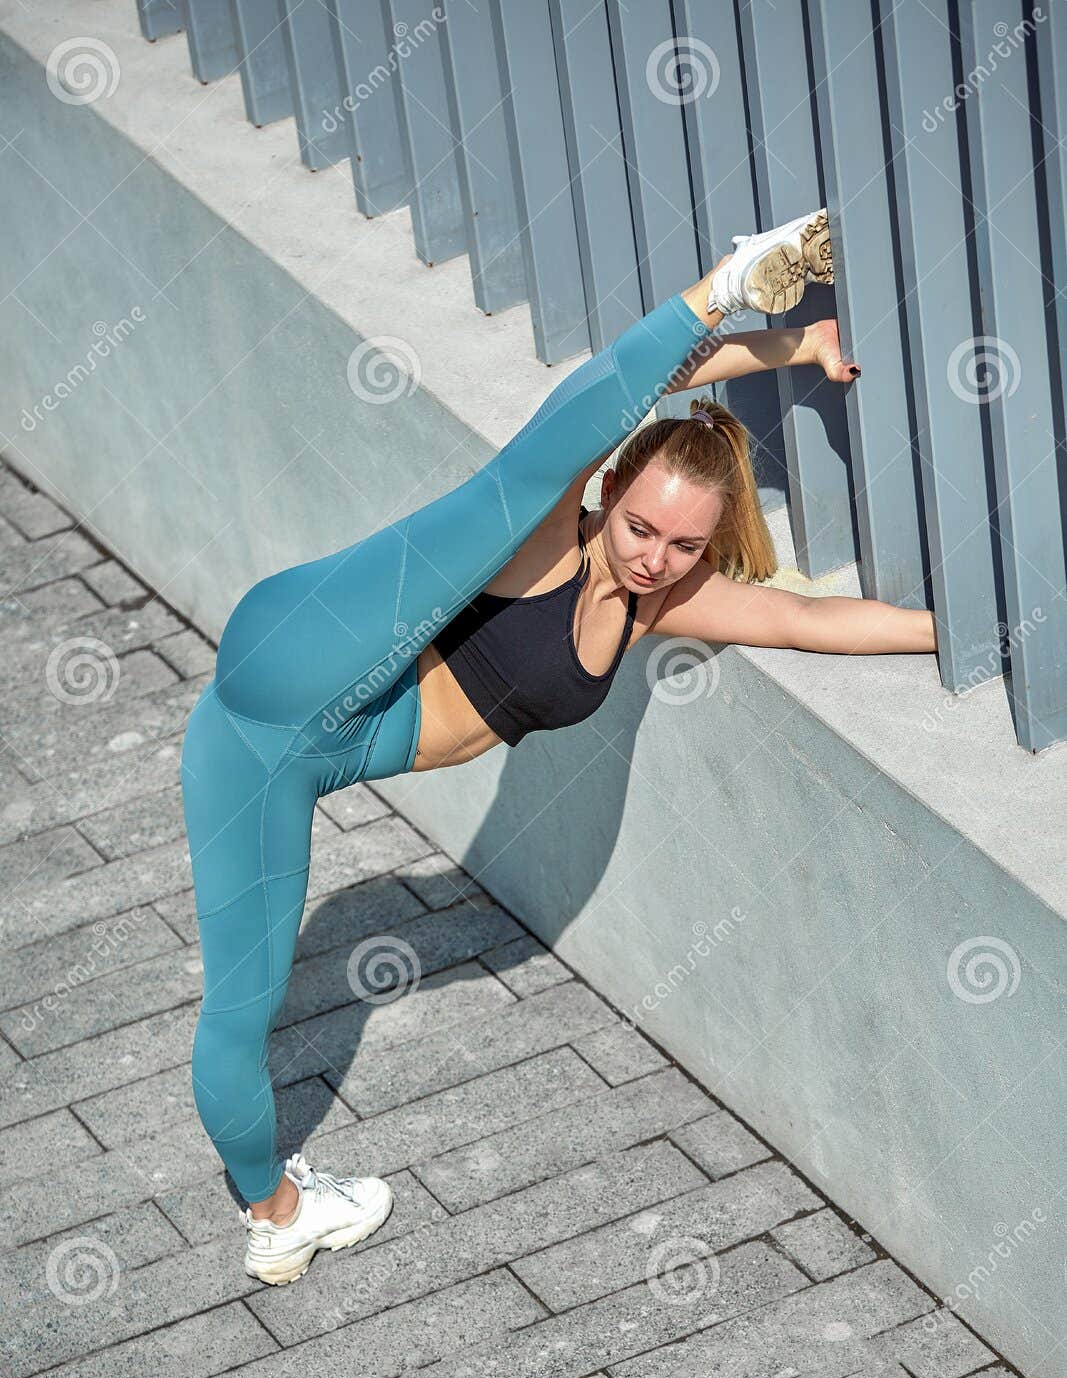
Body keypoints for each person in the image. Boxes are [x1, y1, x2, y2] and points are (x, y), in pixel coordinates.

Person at [180, 208, 936, 1286]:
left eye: (682, 543)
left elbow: (812, 623)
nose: (651, 556)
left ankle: (276, 1213)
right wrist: (748, 326)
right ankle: (721, 278)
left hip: (298, 749)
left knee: (242, 1009)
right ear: (611, 494)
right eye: (637, 526)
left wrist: (971, 633)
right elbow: (589, 413)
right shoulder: (550, 534)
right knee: (509, 480)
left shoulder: (657, 600)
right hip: (306, 655)